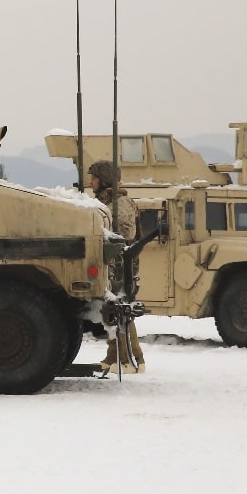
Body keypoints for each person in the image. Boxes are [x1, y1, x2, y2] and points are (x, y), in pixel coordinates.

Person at [90, 159, 145, 374]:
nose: (91, 182)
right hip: (116, 265)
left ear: (104, 180)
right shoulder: (110, 203)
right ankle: (115, 357)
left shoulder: (119, 205)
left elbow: (126, 237)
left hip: (120, 266)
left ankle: (131, 360)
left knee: (119, 312)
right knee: (112, 312)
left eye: (94, 178)